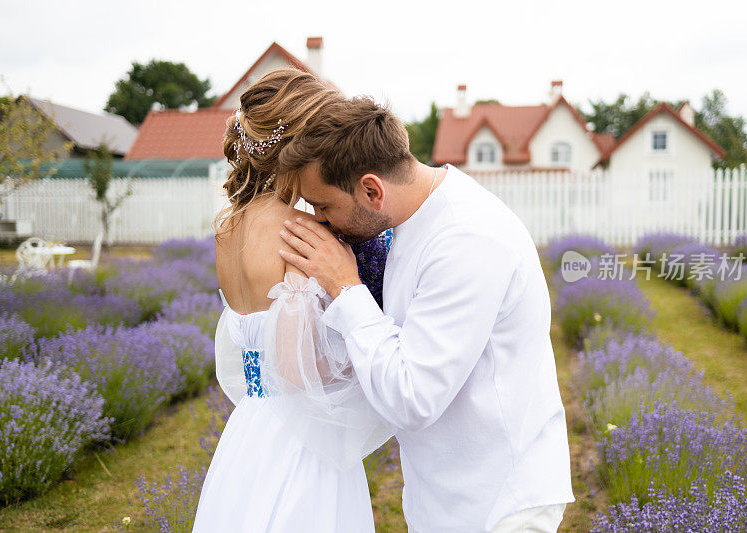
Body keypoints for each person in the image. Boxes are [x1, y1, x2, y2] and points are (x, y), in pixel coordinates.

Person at [277, 96, 575, 532]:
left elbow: (413, 397)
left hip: (498, 503)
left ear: (372, 190)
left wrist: (345, 287)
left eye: (322, 205)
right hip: (448, 494)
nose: (320, 221)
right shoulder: (416, 216)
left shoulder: (466, 239)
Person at [192, 69, 392, 532]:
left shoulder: (229, 228)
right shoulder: (302, 232)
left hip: (249, 429)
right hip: (302, 442)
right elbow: (298, 366)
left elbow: (250, 356)